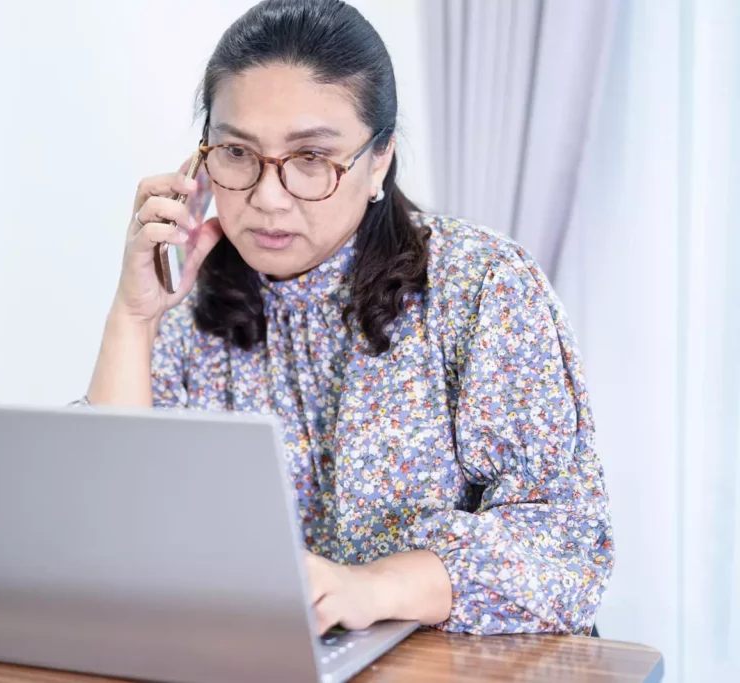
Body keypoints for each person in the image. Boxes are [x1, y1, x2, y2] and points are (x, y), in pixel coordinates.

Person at [84, 0, 613, 637]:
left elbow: (564, 552)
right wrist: (134, 317)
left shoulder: (482, 285)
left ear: (379, 160)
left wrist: (372, 588)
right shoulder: (193, 307)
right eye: (236, 154)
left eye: (311, 159)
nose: (268, 197)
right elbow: (108, 538)